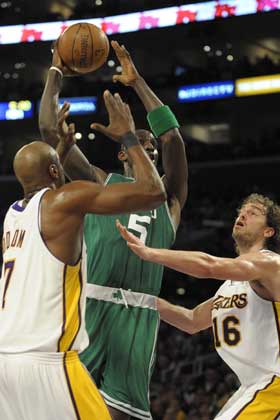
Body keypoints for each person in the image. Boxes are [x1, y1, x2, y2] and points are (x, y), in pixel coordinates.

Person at [39, 41, 188, 420]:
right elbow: (47, 129)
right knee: (66, 409)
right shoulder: (99, 183)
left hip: (137, 315)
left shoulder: (169, 200)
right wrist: (55, 72)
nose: (150, 148)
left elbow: (173, 138)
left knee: (122, 416)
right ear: (123, 152)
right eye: (141, 144)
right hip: (90, 306)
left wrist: (137, 83)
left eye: (151, 146)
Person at [0, 92, 165, 420]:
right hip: (50, 362)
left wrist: (55, 72)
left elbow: (52, 167)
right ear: (54, 169)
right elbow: (153, 192)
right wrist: (128, 135)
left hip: (6, 361)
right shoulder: (64, 201)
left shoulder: (13, 216)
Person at [117, 193, 280, 419]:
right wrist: (142, 299)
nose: (242, 214)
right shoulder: (230, 287)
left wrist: (150, 253)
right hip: (256, 385)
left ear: (269, 231)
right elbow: (192, 321)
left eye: (253, 213)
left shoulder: (272, 263)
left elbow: (209, 266)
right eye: (241, 211)